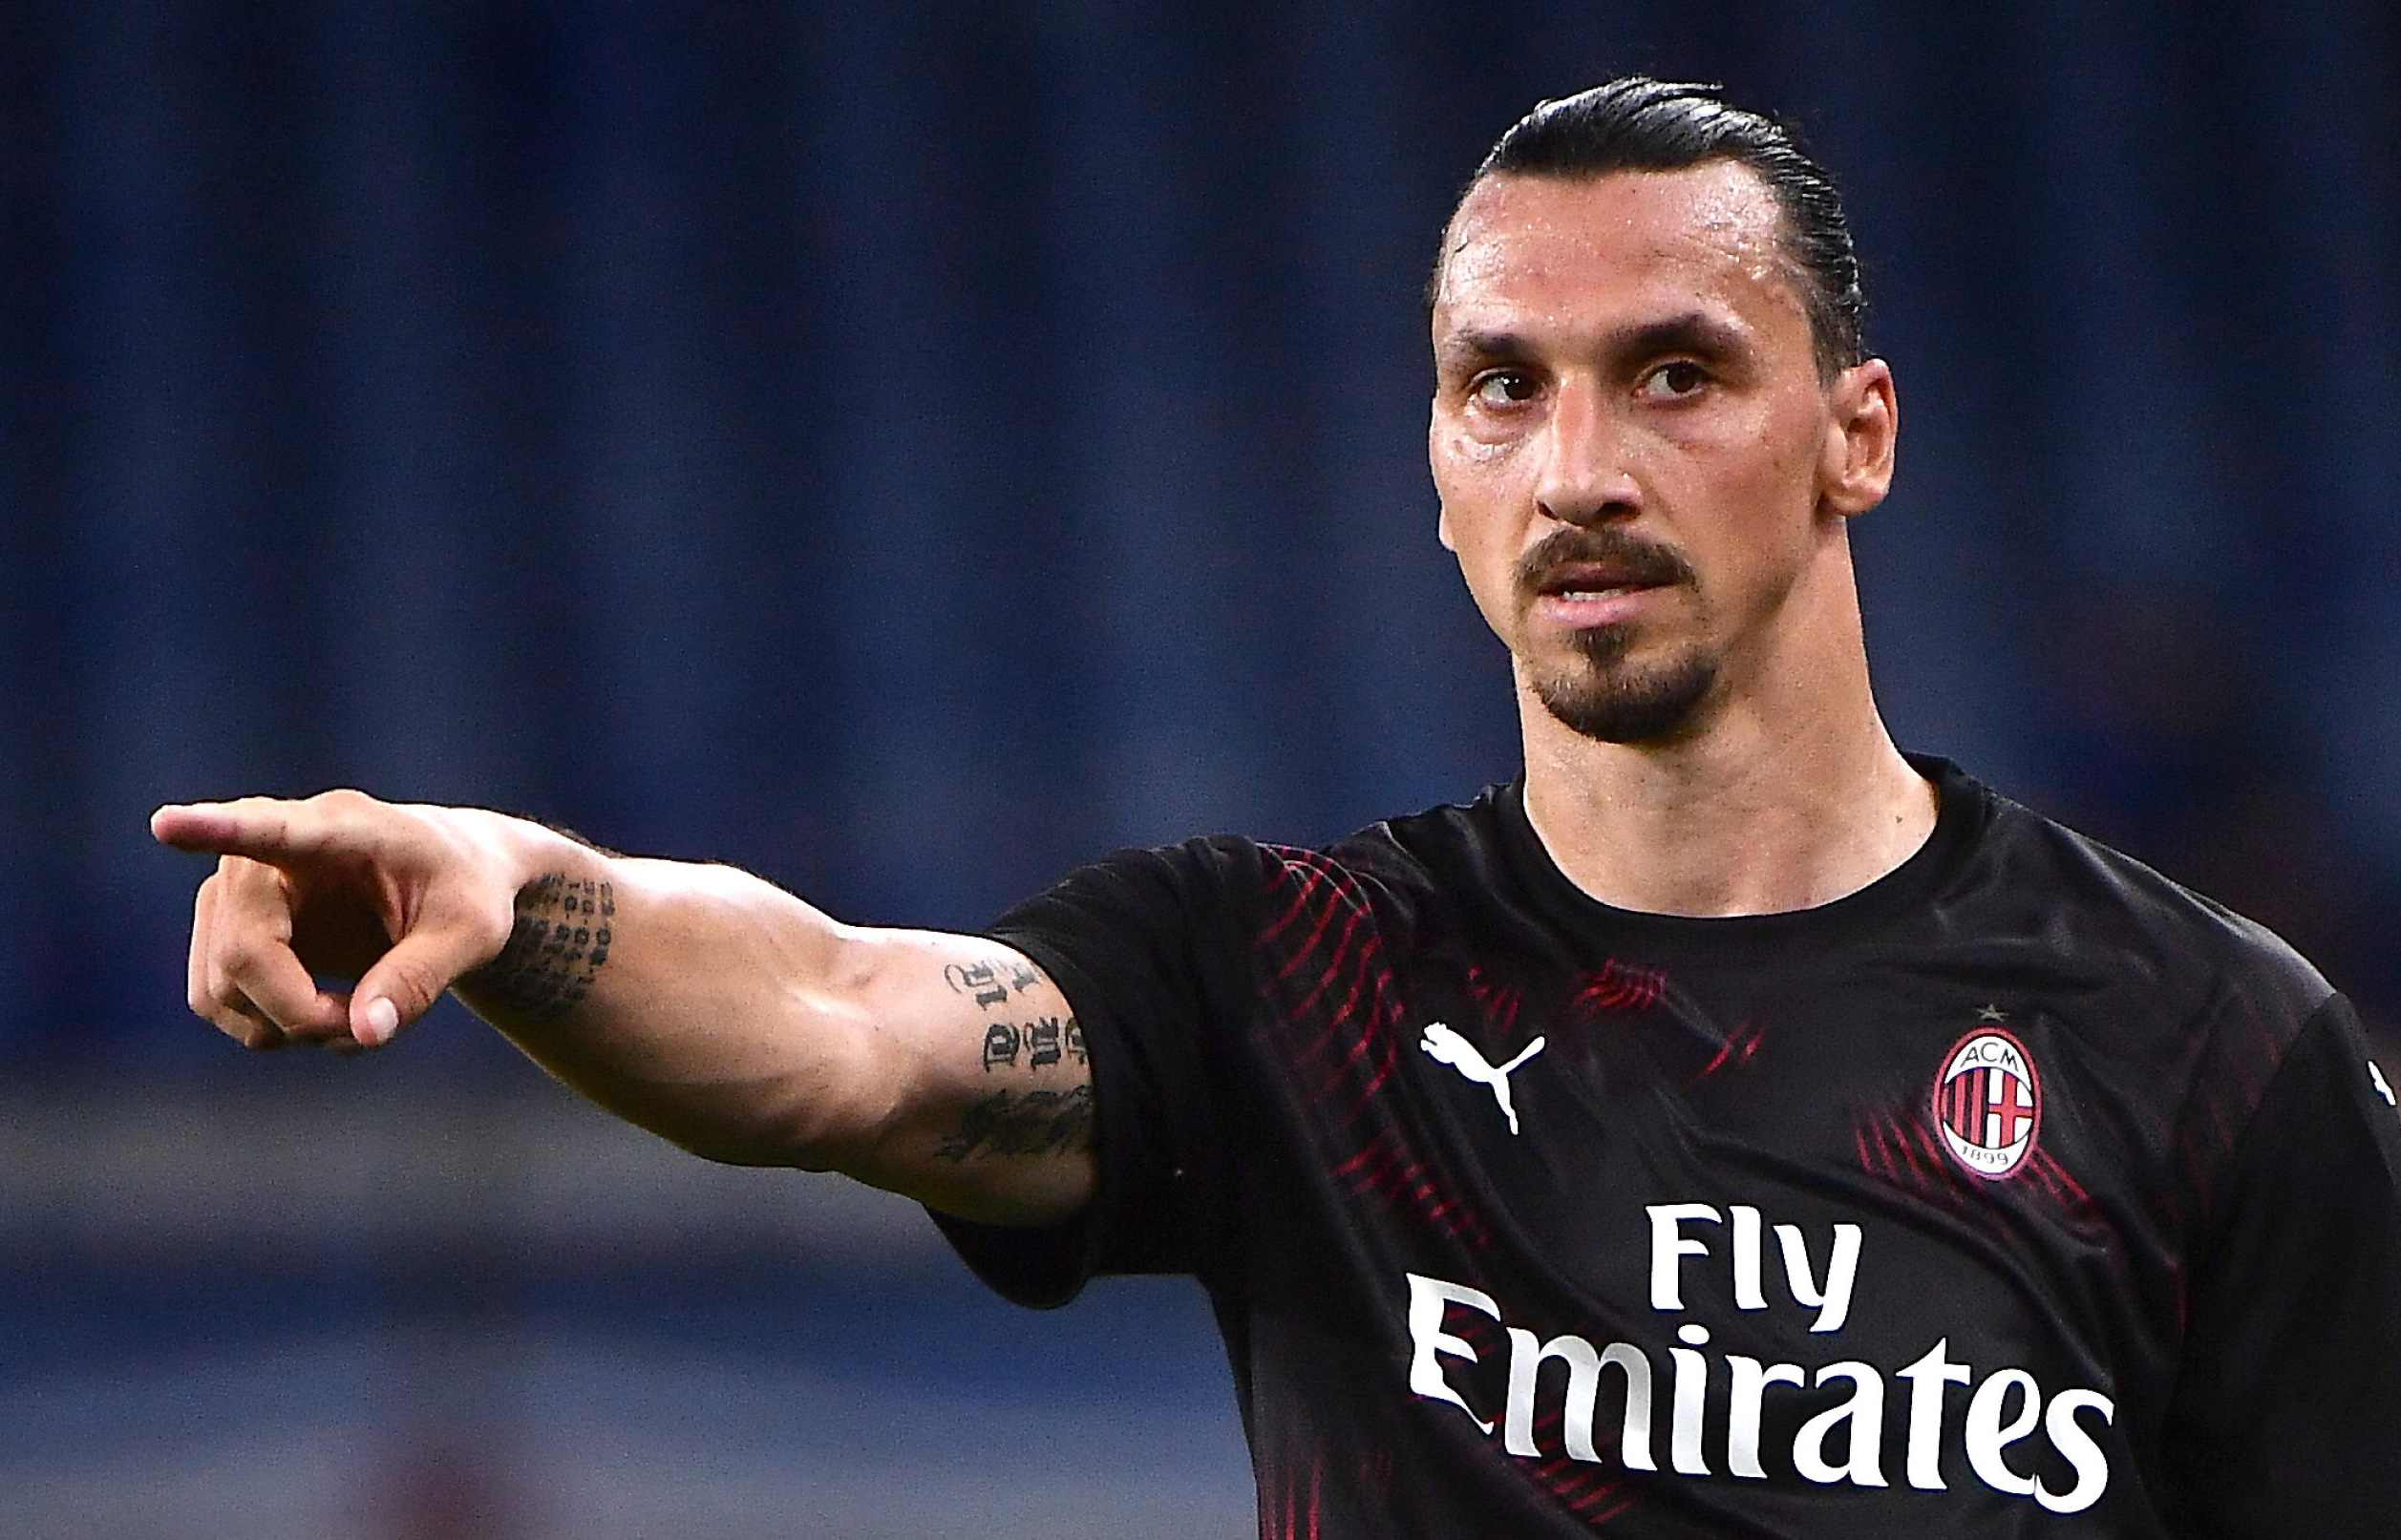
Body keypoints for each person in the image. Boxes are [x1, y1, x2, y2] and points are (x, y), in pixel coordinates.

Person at [155, 78, 2401, 1537]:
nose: (1581, 466)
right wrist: (527, 896)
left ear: (1861, 433)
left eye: (1677, 374)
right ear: (1436, 471)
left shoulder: (2211, 1051)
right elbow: (841, 1021)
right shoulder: (1288, 976)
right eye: (1499, 388)